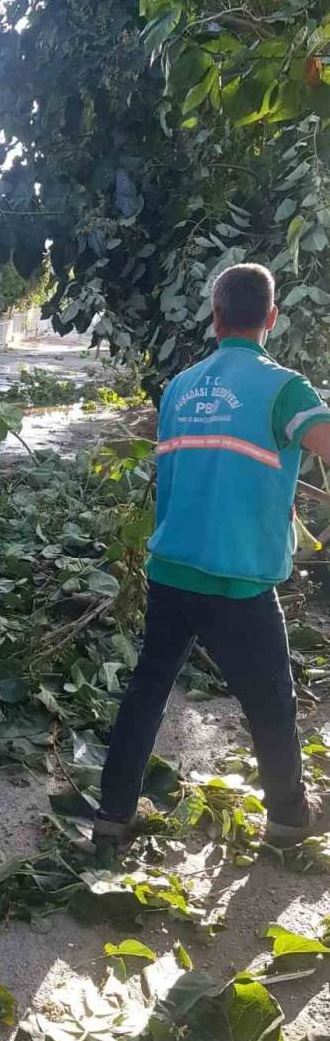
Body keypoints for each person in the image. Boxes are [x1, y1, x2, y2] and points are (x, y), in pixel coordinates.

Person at [93, 262, 330, 848]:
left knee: (147, 692)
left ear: (216, 317)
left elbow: (190, 475)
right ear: (271, 319)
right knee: (270, 700)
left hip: (171, 570)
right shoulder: (283, 387)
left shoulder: (180, 388)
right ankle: (287, 820)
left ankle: (111, 817)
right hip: (239, 583)